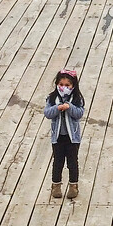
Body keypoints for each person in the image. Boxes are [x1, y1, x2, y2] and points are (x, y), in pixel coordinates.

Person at [44, 68, 85, 199]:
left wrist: (69, 107)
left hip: (72, 138)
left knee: (72, 162)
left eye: (67, 85)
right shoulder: (52, 98)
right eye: (61, 84)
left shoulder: (77, 98)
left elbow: (79, 113)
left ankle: (73, 185)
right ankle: (56, 185)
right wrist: (57, 108)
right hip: (58, 138)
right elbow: (47, 113)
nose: (64, 87)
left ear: (73, 85)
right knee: (58, 162)